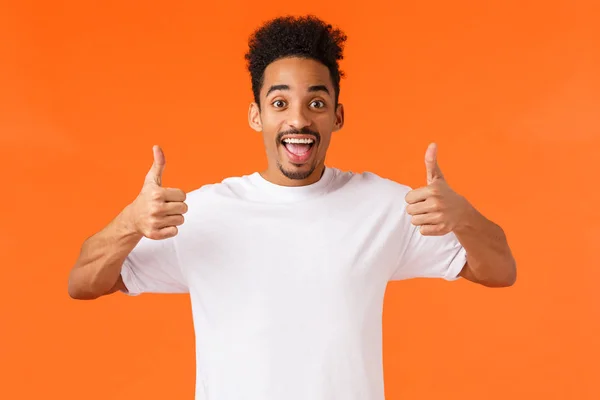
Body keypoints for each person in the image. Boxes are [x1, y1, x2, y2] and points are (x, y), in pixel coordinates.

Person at [68, 15, 516, 400]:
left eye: (315, 103)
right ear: (256, 116)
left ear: (337, 115)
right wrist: (129, 222)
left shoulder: (384, 206)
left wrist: (464, 217)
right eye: (280, 102)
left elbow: (500, 271)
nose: (298, 119)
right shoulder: (201, 213)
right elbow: (83, 283)